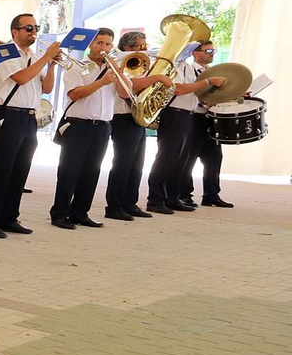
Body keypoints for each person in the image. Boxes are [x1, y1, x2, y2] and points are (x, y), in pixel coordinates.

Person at [0, 14, 57, 239]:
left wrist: (51, 65)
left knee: (20, 169)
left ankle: (9, 217)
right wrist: (46, 58)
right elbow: (21, 78)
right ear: (15, 32)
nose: (34, 32)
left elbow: (47, 88)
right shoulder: (2, 52)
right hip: (9, 115)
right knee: (1, 170)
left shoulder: (35, 56)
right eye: (29, 28)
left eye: (36, 27)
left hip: (29, 117)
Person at [49, 29, 120, 230]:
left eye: (108, 44)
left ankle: (80, 212)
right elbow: (75, 94)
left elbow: (125, 93)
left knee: (92, 172)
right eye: (99, 43)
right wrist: (102, 82)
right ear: (91, 44)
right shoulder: (77, 66)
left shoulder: (113, 69)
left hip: (103, 126)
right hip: (78, 125)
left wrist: (119, 73)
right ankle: (60, 213)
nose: (104, 48)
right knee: (69, 172)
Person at [145, 43, 224, 214]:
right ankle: (155, 199)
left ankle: (172, 198)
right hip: (173, 113)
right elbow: (178, 90)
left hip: (188, 114)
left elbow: (193, 90)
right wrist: (207, 81)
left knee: (179, 160)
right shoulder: (170, 67)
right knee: (166, 157)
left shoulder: (187, 67)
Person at [103, 31, 170, 221]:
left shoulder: (142, 61)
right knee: (123, 164)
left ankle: (130, 203)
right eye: (141, 46)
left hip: (135, 116)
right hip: (121, 116)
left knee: (137, 164)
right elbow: (128, 85)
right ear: (128, 47)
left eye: (145, 45)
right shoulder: (121, 61)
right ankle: (114, 206)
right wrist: (155, 78)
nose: (145, 49)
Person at [185, 40, 233, 208]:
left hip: (210, 118)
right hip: (194, 117)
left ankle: (211, 195)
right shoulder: (190, 70)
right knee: (189, 157)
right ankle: (185, 195)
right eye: (208, 51)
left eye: (213, 50)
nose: (211, 53)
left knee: (214, 157)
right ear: (195, 53)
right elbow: (188, 92)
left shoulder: (213, 72)